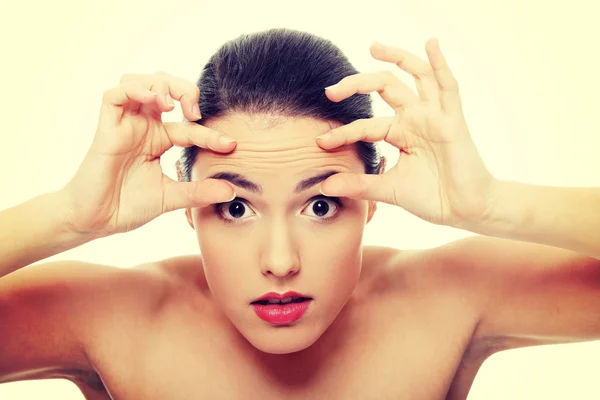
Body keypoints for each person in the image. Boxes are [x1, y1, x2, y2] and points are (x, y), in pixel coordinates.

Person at [0, 27, 598, 400]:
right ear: (187, 208)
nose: (280, 262)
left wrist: (490, 204)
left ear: (370, 203)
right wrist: (68, 217)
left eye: (320, 204)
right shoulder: (112, 318)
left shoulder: (450, 301)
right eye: (235, 207)